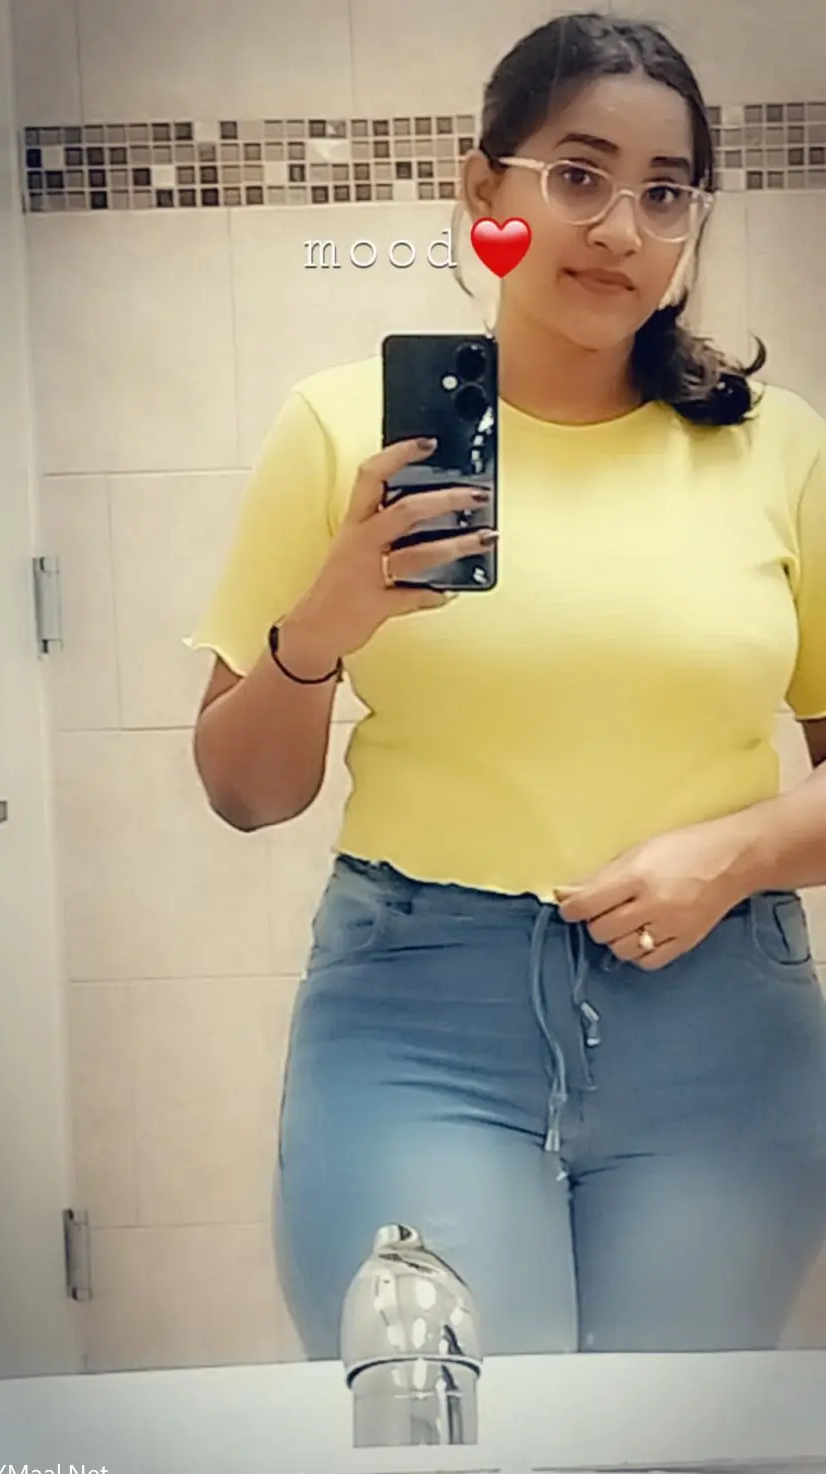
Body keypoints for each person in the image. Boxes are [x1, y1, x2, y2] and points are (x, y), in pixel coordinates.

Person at [187, 10, 826, 1359]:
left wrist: (733, 855)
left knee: (669, 1450)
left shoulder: (781, 453)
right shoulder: (342, 427)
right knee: (448, 1431)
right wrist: (324, 625)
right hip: (417, 1016)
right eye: (578, 175)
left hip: (718, 1013)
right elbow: (245, 793)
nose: (621, 229)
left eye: (666, 193)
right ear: (484, 189)